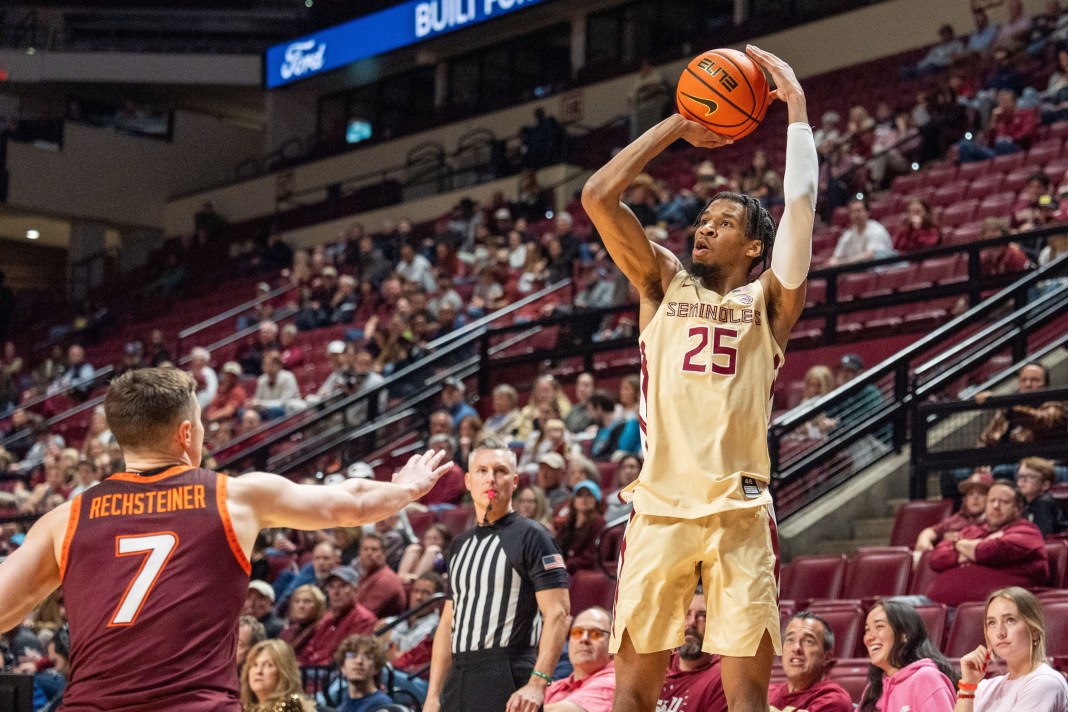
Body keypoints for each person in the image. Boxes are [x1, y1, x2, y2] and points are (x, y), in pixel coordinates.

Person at [581, 45, 817, 712]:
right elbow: (598, 195)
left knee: (745, 698)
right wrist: (678, 124)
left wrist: (795, 107)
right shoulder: (660, 281)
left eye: (724, 223)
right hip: (658, 508)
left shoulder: (770, 302)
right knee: (633, 692)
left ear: (753, 249)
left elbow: (799, 211)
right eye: (703, 219)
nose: (704, 228)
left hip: (741, 511)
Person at [0, 367, 451, 710]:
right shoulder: (234, 497)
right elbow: (349, 502)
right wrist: (407, 488)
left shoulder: (67, 518)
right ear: (185, 433)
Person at [424, 438, 571, 712]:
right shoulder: (459, 545)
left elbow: (559, 613)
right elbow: (447, 623)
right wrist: (433, 695)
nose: (491, 479)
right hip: (459, 675)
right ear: (468, 481)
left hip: (509, 670)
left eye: (500, 471)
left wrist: (538, 683)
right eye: (482, 471)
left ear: (514, 481)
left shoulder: (534, 536)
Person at [927, 481, 1049, 608]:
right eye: (992, 501)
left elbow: (988, 551)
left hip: (987, 613)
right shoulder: (974, 530)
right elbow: (936, 559)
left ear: (1018, 508)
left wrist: (958, 544)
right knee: (904, 607)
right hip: (932, 604)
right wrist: (964, 549)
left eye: (1004, 502)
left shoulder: (1027, 531)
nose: (996, 506)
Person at [956, 587, 1068, 712]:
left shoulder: (1045, 682)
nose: (1000, 632)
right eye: (992, 623)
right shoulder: (984, 688)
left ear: (1034, 630)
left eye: (1010, 620)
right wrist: (967, 686)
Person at [859, 600, 956, 712]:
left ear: (905, 634)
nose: (869, 637)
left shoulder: (926, 679)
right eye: (867, 630)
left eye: (879, 627)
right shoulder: (873, 689)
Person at [768, 612, 853, 712]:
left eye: (808, 641)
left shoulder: (833, 700)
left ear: (827, 656)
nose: (796, 648)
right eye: (790, 640)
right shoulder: (767, 693)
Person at [657, 593, 727, 712]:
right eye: (686, 613)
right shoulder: (658, 665)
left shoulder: (723, 678)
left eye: (703, 616)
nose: (691, 623)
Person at [298, 565, 378, 667]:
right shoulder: (327, 617)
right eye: (332, 586)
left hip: (336, 674)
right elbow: (310, 649)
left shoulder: (364, 619)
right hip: (313, 671)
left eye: (343, 586)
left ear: (355, 590)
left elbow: (350, 656)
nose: (336, 592)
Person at [544, 607, 617, 712]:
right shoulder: (558, 687)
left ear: (613, 644)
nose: (584, 639)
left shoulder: (614, 681)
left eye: (595, 633)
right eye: (577, 632)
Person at [915, 473, 991, 552]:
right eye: (971, 494)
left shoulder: (993, 521)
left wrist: (957, 539)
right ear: (965, 500)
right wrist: (924, 540)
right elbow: (931, 531)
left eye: (981, 493)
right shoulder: (956, 518)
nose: (975, 498)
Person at [240, 639, 316, 712]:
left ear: (284, 672)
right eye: (255, 665)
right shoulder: (245, 708)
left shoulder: (291, 706)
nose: (259, 671)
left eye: (269, 665)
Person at [557, 480, 607, 574]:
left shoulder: (600, 524)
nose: (584, 499)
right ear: (574, 500)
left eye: (589, 495)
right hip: (562, 570)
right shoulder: (567, 523)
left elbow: (593, 555)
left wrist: (568, 565)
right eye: (580, 495)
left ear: (596, 500)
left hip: (582, 573)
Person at [353, 532, 406, 618]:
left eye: (374, 549)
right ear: (359, 553)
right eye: (365, 549)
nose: (369, 553)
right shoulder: (366, 576)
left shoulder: (386, 579)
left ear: (384, 553)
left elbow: (363, 617)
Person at [1015, 457, 1066, 536]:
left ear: (1045, 485)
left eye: (1031, 477)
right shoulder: (1023, 502)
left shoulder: (1044, 502)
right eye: (1021, 476)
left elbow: (1042, 535)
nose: (1022, 480)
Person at [278, 584, 326, 660]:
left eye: (307, 601)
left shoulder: (322, 629)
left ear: (318, 605)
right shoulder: (287, 630)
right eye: (297, 601)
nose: (301, 606)